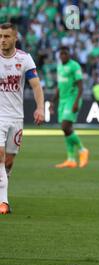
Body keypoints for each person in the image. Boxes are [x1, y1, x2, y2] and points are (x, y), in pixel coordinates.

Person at [0, 23, 44, 214]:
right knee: (0, 157)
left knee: (8, 162)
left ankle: (2, 189)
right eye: (0, 36)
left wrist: (40, 107)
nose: (3, 40)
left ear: (15, 38)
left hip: (16, 117)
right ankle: (4, 202)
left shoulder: (24, 59)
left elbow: (35, 86)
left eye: (7, 36)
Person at [50, 46, 89, 168]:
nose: (63, 56)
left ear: (69, 54)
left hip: (72, 99)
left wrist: (76, 102)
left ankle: (83, 150)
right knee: (66, 130)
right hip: (62, 100)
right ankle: (71, 159)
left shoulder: (75, 66)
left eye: (65, 54)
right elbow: (59, 86)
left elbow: (81, 86)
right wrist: (52, 101)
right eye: (61, 54)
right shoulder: (59, 67)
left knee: (65, 126)